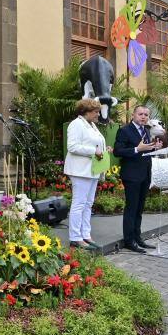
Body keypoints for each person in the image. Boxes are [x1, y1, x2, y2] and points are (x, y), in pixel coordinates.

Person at [113, 105, 162, 253]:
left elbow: (145, 152)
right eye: (140, 114)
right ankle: (129, 241)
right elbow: (117, 151)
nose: (143, 117)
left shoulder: (146, 131)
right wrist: (137, 149)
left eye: (146, 115)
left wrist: (154, 148)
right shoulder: (124, 130)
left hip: (145, 174)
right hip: (131, 175)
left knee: (139, 209)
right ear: (133, 114)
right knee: (131, 208)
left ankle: (138, 237)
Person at [64, 98, 111, 251]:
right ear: (86, 112)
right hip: (80, 171)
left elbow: (95, 144)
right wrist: (94, 151)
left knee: (88, 204)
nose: (98, 115)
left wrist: (104, 150)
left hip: (92, 170)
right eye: (96, 112)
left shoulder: (91, 125)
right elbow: (72, 146)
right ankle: (75, 238)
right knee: (79, 204)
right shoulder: (76, 124)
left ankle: (86, 234)